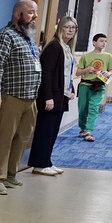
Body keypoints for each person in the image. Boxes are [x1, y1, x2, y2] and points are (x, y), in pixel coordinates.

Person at [0, 0, 41, 195]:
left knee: (22, 138)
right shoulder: (5, 36)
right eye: (31, 13)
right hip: (11, 97)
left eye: (35, 13)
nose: (35, 17)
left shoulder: (28, 38)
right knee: (4, 138)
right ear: (18, 15)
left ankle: (10, 175)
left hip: (30, 98)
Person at [28, 16, 77, 176]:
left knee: (52, 131)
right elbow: (47, 74)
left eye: (73, 28)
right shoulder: (54, 47)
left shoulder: (67, 48)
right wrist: (48, 97)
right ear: (60, 28)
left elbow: (66, 73)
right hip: (50, 97)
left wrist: (71, 89)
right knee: (45, 129)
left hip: (61, 95)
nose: (70, 30)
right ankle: (39, 164)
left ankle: (47, 161)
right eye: (67, 27)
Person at [75, 33, 112, 141]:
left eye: (105, 41)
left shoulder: (108, 56)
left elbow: (111, 70)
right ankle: (82, 128)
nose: (103, 43)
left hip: (99, 85)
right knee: (82, 109)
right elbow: (77, 73)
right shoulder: (86, 56)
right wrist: (87, 70)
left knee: (93, 108)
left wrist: (108, 74)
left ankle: (89, 130)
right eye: (101, 41)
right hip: (85, 85)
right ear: (94, 42)